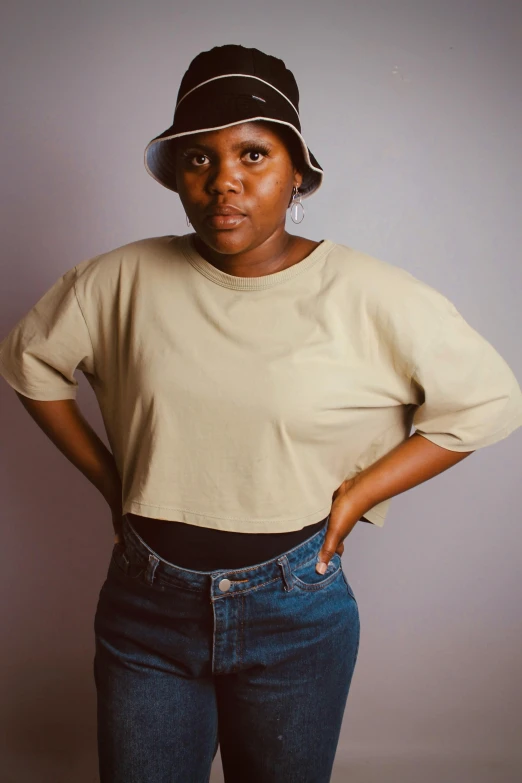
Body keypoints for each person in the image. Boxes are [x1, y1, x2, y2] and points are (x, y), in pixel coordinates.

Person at [1, 43, 521, 783]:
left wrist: (358, 497)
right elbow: (30, 365)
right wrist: (110, 482)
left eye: (253, 154)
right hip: (146, 607)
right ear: (177, 174)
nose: (224, 184)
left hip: (296, 611)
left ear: (299, 171)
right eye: (199, 161)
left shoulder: (369, 292)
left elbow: (488, 401)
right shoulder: (119, 279)